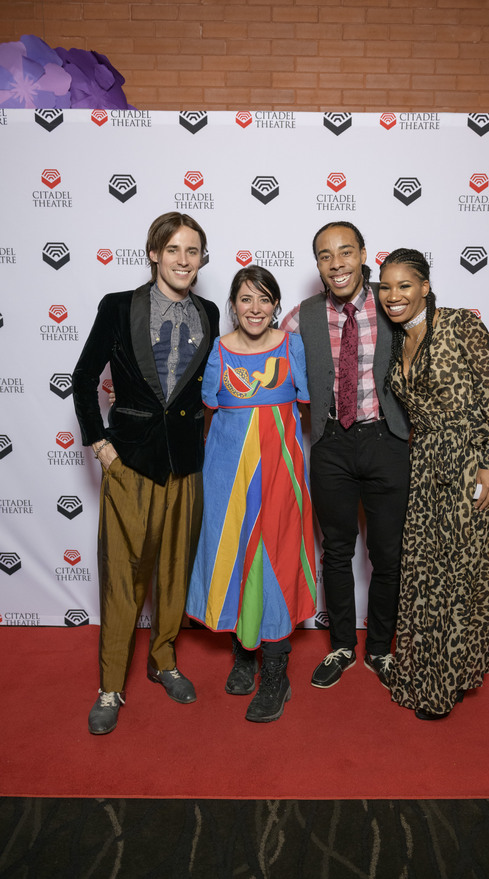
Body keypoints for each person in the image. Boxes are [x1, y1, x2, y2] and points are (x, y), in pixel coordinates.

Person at [72, 212, 219, 735]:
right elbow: (84, 377)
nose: (184, 260)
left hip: (186, 463)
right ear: (154, 253)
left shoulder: (210, 311)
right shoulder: (118, 307)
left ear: (203, 259)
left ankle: (163, 660)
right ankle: (111, 684)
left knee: (174, 570)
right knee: (123, 576)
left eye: (193, 251)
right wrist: (100, 444)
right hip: (130, 461)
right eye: (174, 249)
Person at [378, 247, 489, 720]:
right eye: (386, 286)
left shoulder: (460, 325)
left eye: (404, 285)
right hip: (428, 465)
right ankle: (421, 672)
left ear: (425, 287)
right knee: (424, 576)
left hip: (473, 465)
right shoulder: (398, 340)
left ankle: (447, 682)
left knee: (461, 580)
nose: (393, 296)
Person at [281, 222, 410, 690]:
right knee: (335, 551)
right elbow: (267, 360)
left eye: (345, 252)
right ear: (317, 264)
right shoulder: (301, 316)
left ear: (363, 255)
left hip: (388, 441)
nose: (336, 263)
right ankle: (341, 646)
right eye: (325, 255)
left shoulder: (393, 301)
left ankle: (379, 649)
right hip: (331, 442)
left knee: (388, 553)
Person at [186, 266, 316, 723]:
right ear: (233, 305)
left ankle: (276, 673)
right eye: (245, 299)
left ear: (276, 305)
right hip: (228, 473)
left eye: (264, 299)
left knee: (274, 558)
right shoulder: (219, 351)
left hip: (281, 470)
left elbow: (302, 402)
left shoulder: (291, 345)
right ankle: (244, 653)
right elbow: (212, 409)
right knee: (237, 557)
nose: (255, 309)